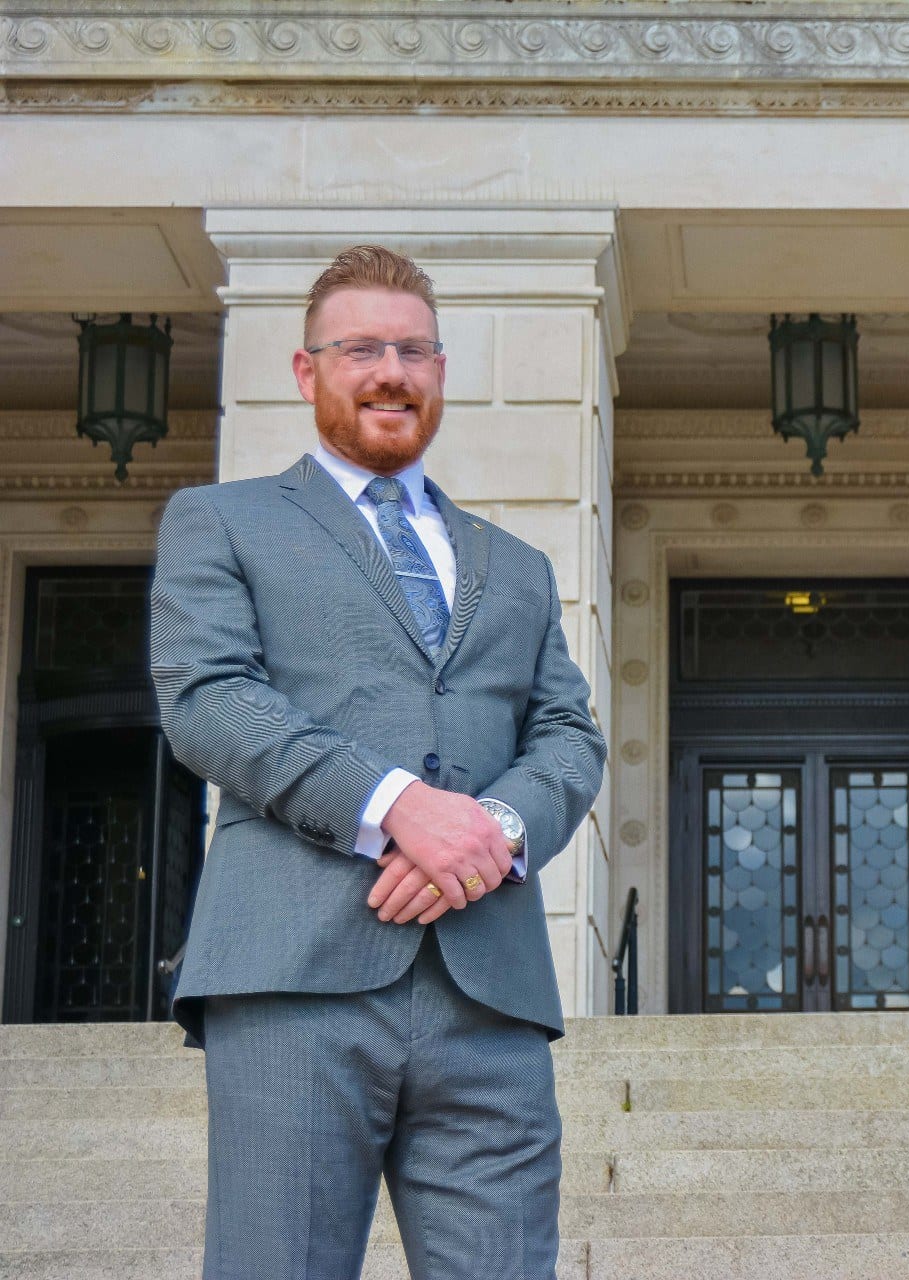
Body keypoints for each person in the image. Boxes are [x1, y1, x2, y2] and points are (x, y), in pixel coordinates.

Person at [149, 244, 607, 1280]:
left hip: (490, 999)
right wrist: (398, 803)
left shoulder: (518, 565)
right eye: (360, 347)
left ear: (441, 371)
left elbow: (569, 734)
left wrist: (492, 829)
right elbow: (209, 700)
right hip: (294, 979)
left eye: (411, 348)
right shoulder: (223, 520)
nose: (388, 370)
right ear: (308, 370)